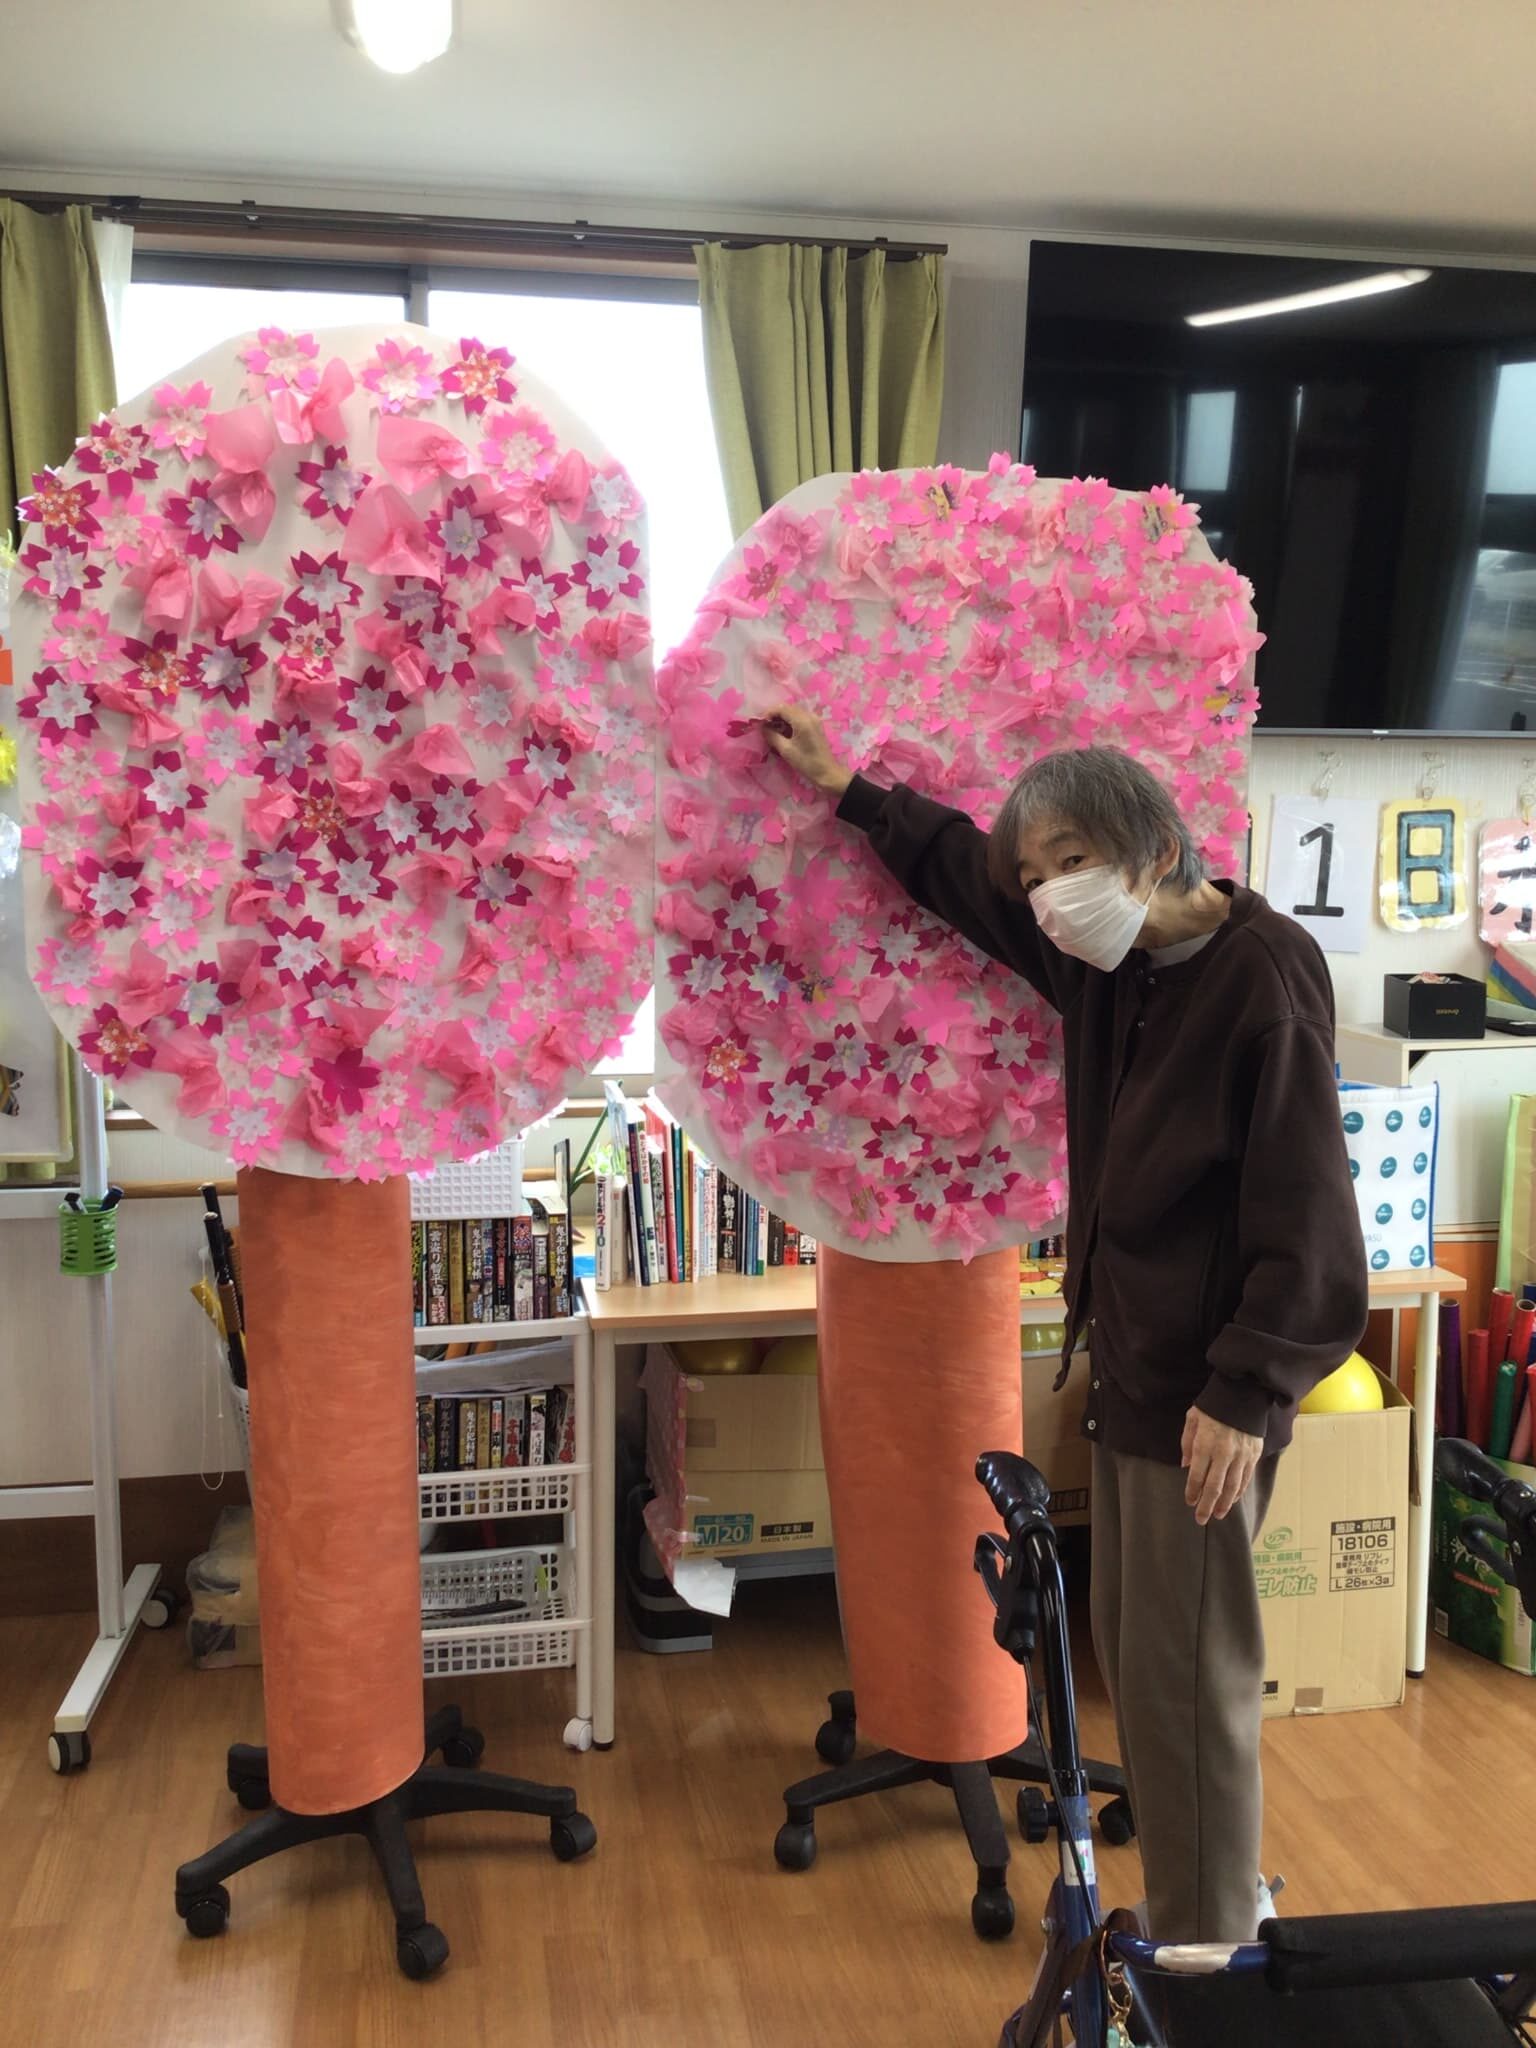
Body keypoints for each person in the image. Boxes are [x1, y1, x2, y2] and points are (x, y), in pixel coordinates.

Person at [764, 714, 1368, 1945]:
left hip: (1208, 1393)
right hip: (1135, 1367)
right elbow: (969, 885)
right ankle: (1207, 1908)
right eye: (1036, 873)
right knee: (1133, 1654)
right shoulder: (1113, 964)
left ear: (1155, 846)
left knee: (1187, 1677)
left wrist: (1246, 1391)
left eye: (1069, 862)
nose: (1047, 896)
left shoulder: (1264, 978)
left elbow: (1310, 1219)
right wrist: (852, 790)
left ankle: (1209, 1951)